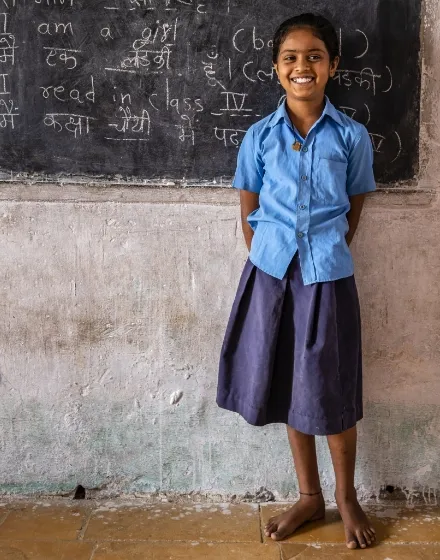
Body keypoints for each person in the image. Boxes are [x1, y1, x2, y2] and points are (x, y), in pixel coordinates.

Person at [217, 13, 377, 550]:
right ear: (275, 69)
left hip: (326, 278)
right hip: (270, 277)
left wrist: (325, 254)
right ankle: (309, 496)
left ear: (332, 66)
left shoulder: (351, 136)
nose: (302, 66)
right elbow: (249, 204)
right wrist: (270, 260)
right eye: (290, 57)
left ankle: (346, 496)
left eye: (314, 57)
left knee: (328, 387)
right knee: (291, 384)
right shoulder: (259, 136)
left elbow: (354, 206)